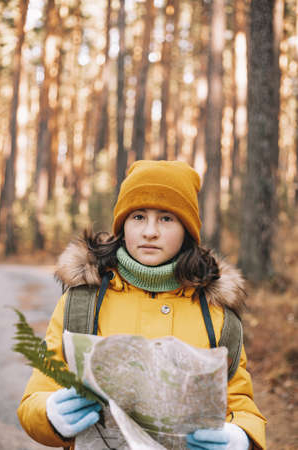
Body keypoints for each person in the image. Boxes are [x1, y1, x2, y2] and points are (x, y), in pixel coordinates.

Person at [18, 160, 266, 449]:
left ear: (187, 229)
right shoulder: (82, 302)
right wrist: (50, 414)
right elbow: (37, 394)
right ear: (123, 225)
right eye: (138, 216)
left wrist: (240, 438)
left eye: (166, 218)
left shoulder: (216, 314)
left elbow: (240, 404)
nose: (150, 232)